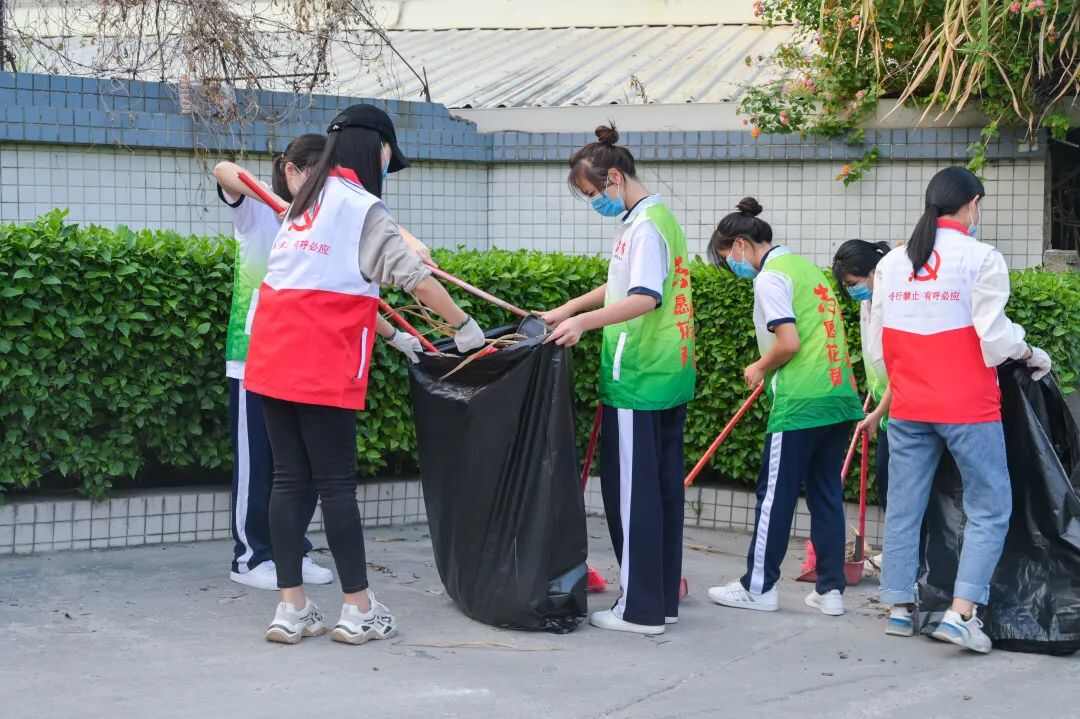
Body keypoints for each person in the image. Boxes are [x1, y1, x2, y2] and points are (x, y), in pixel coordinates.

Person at [243, 104, 487, 645]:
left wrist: (398, 337)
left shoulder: (303, 206)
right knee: (334, 486)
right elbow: (415, 280)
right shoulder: (362, 207)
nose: (385, 164)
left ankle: (291, 609)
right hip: (321, 363)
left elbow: (337, 288)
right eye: (386, 154)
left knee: (288, 481)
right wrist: (465, 327)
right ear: (372, 149)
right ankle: (358, 609)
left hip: (273, 359)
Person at [868, 166, 1051, 653]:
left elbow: (876, 347)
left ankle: (899, 608)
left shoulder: (892, 264)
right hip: (968, 405)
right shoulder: (981, 257)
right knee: (990, 508)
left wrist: (901, 385)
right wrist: (1031, 353)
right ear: (971, 205)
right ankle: (961, 613)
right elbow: (995, 338)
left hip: (908, 403)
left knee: (905, 507)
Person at [541, 125, 695, 635]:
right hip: (667, 373)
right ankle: (661, 600)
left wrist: (582, 324)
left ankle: (640, 610)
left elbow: (644, 296)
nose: (593, 204)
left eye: (591, 194)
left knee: (633, 497)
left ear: (613, 178)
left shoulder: (644, 227)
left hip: (639, 377)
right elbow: (619, 284)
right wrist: (568, 307)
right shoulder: (653, 220)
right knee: (662, 493)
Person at [706, 197, 864, 617]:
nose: (733, 268)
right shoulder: (808, 270)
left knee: (774, 496)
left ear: (740, 244)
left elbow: (789, 342)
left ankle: (758, 587)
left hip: (800, 401)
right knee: (827, 493)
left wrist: (759, 366)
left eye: (728, 258)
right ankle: (830, 592)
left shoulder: (771, 278)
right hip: (838, 396)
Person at [212, 135, 333, 591]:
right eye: (319, 174)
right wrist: (270, 199)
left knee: (296, 464)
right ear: (292, 171)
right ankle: (249, 557)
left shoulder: (320, 221)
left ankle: (290, 549)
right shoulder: (258, 211)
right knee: (257, 462)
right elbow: (223, 169)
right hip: (252, 358)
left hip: (299, 360)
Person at [831, 239, 893, 569]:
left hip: (903, 410)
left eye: (854, 284)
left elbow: (901, 365)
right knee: (887, 485)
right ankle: (898, 557)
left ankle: (907, 562)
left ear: (873, 272)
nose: (852, 291)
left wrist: (878, 412)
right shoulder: (867, 302)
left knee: (900, 490)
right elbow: (877, 359)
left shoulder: (892, 300)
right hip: (887, 409)